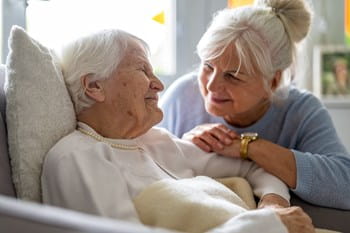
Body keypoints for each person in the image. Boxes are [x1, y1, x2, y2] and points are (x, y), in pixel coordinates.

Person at [40, 29, 315, 233]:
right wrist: (265, 226)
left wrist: (273, 205)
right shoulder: (77, 156)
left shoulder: (156, 141)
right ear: (94, 86)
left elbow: (255, 169)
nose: (158, 84)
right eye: (143, 70)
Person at [159, 0, 350, 210]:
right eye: (208, 66)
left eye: (232, 76)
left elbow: (345, 185)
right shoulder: (182, 96)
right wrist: (182, 148)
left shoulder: (302, 111)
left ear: (273, 81)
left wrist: (248, 147)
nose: (212, 85)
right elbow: (143, 163)